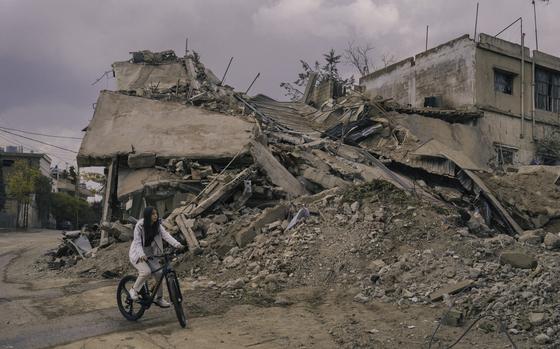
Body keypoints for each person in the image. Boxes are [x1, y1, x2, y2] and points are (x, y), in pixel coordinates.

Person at [128, 206, 184, 307]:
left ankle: (159, 298)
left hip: (151, 253)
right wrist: (141, 254)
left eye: (156, 214)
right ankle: (133, 290)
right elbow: (137, 243)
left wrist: (177, 244)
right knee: (146, 272)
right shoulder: (140, 226)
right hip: (137, 253)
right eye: (153, 214)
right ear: (147, 215)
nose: (155, 216)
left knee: (159, 274)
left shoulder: (157, 225)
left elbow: (166, 235)